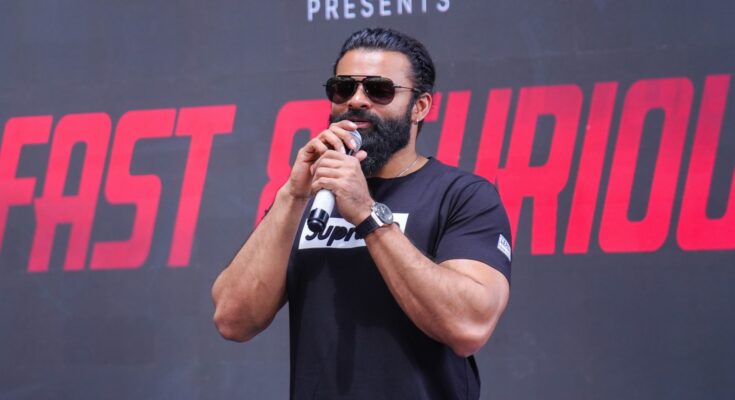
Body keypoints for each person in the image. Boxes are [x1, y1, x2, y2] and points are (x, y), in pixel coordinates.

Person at [212, 27, 512, 399]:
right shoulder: (307, 198)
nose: (357, 100)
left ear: (420, 107)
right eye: (343, 88)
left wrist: (368, 215)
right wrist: (292, 194)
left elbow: (468, 326)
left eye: (379, 90)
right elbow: (232, 319)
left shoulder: (463, 196)